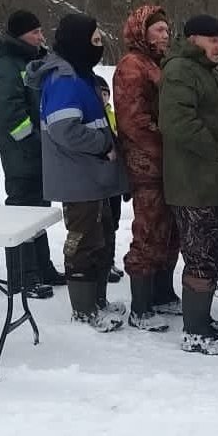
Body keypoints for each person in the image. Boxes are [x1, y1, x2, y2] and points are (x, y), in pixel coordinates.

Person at [26, 13, 129, 332]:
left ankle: (98, 300)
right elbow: (65, 130)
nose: (99, 47)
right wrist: (103, 144)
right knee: (85, 241)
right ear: (78, 43)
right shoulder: (64, 79)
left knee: (103, 237)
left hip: (94, 177)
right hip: (77, 178)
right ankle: (84, 311)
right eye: (94, 41)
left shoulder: (82, 74)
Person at [159, 14, 218, 355]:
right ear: (193, 39)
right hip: (193, 183)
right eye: (213, 40)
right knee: (200, 254)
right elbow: (177, 122)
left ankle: (202, 319)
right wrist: (216, 150)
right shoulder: (180, 70)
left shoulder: (207, 71)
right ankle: (195, 332)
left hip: (213, 181)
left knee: (213, 249)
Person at [0, 9, 64, 300]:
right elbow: (9, 113)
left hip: (41, 150)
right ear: (20, 35)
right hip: (21, 153)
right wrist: (33, 141)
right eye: (34, 32)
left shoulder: (34, 60)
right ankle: (22, 276)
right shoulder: (6, 65)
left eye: (41, 31)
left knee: (38, 210)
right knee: (21, 210)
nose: (41, 37)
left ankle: (42, 267)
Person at [112, 4, 182, 332]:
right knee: (149, 231)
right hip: (147, 164)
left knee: (170, 231)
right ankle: (140, 307)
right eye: (159, 29)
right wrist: (168, 144)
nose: (166, 35)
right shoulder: (132, 66)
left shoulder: (157, 63)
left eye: (167, 29)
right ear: (142, 32)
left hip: (167, 164)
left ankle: (163, 293)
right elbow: (134, 122)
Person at [92, 74, 126, 286]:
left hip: (115, 177)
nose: (103, 97)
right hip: (100, 178)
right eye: (100, 93)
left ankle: (110, 261)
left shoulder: (114, 115)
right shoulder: (94, 116)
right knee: (101, 224)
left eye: (106, 94)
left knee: (113, 221)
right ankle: (101, 264)